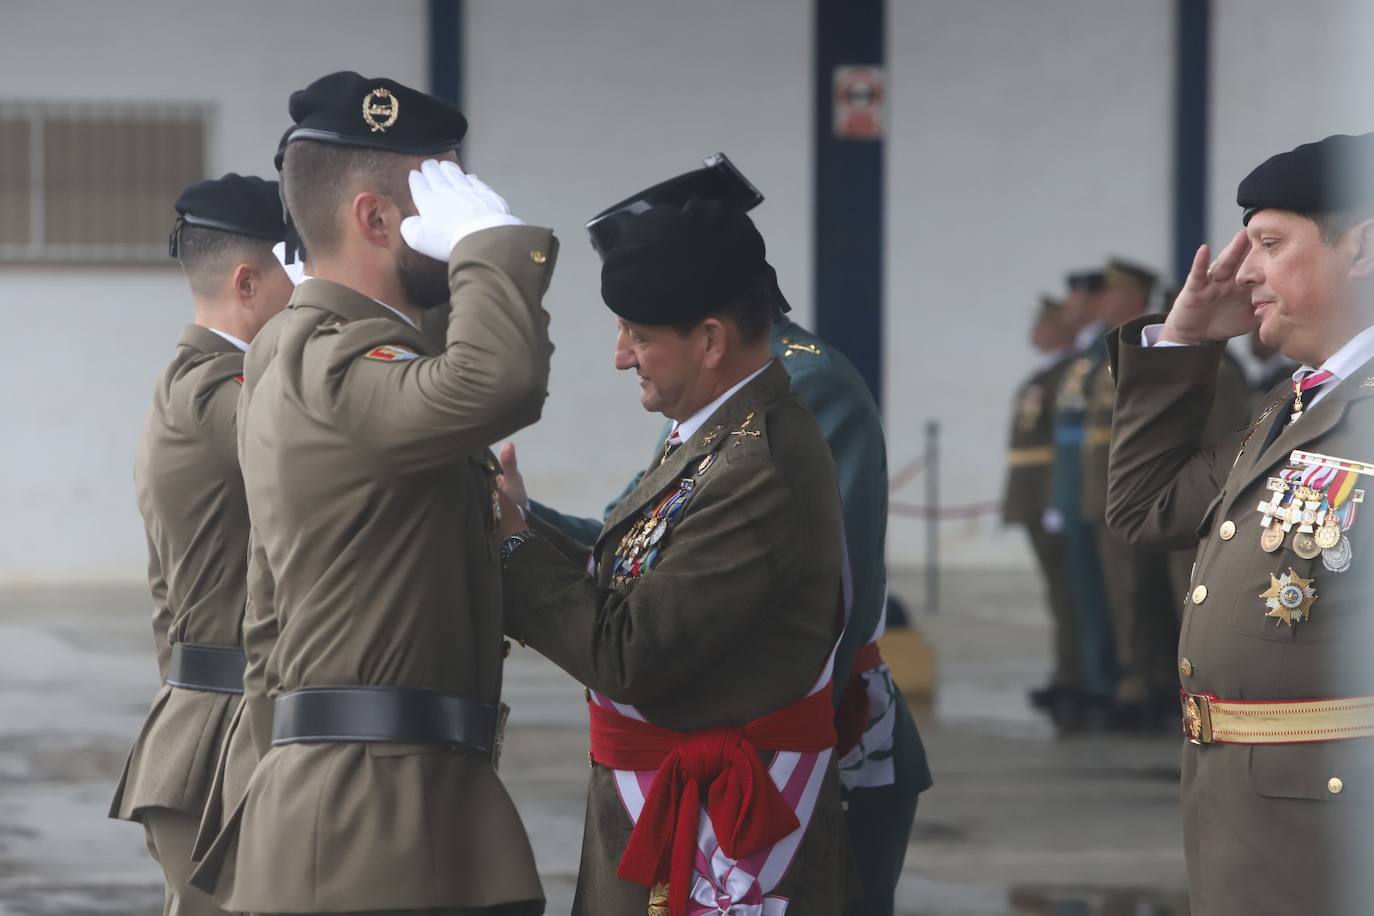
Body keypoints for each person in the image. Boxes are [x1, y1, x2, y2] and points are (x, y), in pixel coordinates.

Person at [508, 157, 930, 915]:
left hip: (760, 780)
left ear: (707, 329)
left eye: (639, 323)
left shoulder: (791, 397)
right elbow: (642, 547)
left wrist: (778, 737)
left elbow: (827, 603)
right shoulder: (718, 407)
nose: (621, 352)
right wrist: (519, 518)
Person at [189, 71, 553, 916]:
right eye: (442, 196)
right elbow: (501, 380)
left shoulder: (308, 354)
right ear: (378, 219)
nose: (457, 220)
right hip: (367, 822)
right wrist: (492, 245)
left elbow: (268, 615)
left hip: (385, 801)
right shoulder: (333, 359)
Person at [1106, 132, 1374, 915]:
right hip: (1254, 812)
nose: (1244, 269)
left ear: (1360, 250)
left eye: (1268, 242)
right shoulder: (1298, 405)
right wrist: (1184, 341)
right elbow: (1145, 508)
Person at [110, 174, 291, 916]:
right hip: (222, 746)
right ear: (248, 282)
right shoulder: (216, 391)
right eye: (301, 275)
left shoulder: (190, 383)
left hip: (209, 729)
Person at [1004, 296, 1081, 717]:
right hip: (1033, 499)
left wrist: (1056, 501)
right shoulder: (1046, 375)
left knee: (1068, 594)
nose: (1036, 330)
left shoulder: (1065, 376)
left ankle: (1073, 673)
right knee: (1058, 593)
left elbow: (1061, 449)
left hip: (1050, 499)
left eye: (1044, 324)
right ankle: (1066, 670)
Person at [1045, 269, 1115, 729]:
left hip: (1096, 490)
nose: (1069, 305)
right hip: (1075, 489)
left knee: (1108, 594)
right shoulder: (1082, 358)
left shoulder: (1106, 351)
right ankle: (1093, 675)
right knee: (1082, 592)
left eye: (1076, 296)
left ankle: (1106, 678)